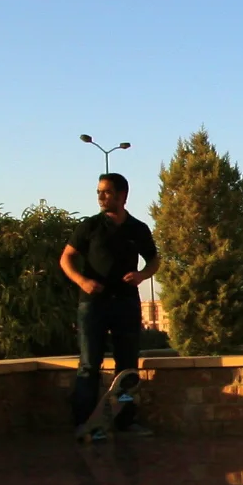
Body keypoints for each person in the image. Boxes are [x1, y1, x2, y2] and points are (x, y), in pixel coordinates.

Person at [60, 172, 158, 432]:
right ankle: (85, 423)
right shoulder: (89, 226)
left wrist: (142, 275)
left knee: (127, 366)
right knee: (89, 364)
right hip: (93, 304)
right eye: (99, 192)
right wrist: (82, 281)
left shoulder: (137, 229)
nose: (101, 197)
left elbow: (154, 260)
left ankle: (126, 420)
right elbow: (66, 258)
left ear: (122, 195)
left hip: (126, 303)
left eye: (107, 192)